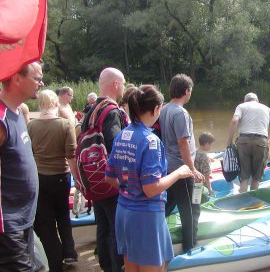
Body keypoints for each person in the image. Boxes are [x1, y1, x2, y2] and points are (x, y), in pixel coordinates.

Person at [105, 85, 193, 272]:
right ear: (155, 109)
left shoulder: (122, 135)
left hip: (124, 212)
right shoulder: (151, 141)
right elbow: (151, 188)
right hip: (146, 217)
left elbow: (110, 177)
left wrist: (129, 187)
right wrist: (178, 173)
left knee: (131, 268)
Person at [80, 67, 127, 272]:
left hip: (95, 181)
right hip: (111, 183)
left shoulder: (91, 110)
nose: (124, 87)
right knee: (117, 231)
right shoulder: (112, 111)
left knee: (103, 228)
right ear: (116, 84)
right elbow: (116, 145)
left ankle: (106, 267)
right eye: (123, 83)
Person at [28, 89, 78, 271]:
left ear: (40, 104)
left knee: (46, 221)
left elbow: (30, 154)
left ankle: (54, 259)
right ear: (55, 103)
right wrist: (78, 180)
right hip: (62, 177)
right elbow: (71, 156)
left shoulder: (31, 126)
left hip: (40, 177)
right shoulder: (65, 124)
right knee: (64, 215)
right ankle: (69, 253)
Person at [0, 61, 44, 270]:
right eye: (36, 78)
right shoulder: (1, 119)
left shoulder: (16, 113)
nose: (41, 83)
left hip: (24, 220)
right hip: (8, 226)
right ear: (17, 78)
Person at [159, 73, 204, 253]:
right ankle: (189, 249)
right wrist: (192, 169)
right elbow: (183, 142)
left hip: (169, 167)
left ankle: (153, 235)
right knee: (192, 211)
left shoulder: (164, 109)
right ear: (187, 91)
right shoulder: (180, 112)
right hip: (182, 169)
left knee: (167, 206)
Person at [226, 92, 270, 193]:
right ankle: (252, 201)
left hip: (243, 142)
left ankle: (242, 200)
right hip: (261, 142)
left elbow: (234, 121)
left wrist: (229, 141)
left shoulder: (241, 106)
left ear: (245, 101)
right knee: (256, 178)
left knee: (244, 177)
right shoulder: (266, 108)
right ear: (257, 101)